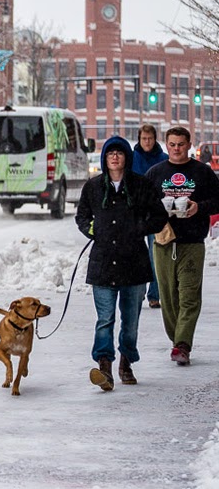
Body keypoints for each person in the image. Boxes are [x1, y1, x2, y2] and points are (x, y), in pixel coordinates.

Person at [76, 136, 168, 391]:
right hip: (103, 263)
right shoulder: (94, 187)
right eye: (110, 153)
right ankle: (104, 366)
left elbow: (158, 216)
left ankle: (126, 362)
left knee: (130, 320)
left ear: (127, 157)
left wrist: (139, 227)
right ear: (105, 159)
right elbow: (82, 216)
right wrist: (91, 229)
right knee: (104, 319)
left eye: (119, 153)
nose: (114, 157)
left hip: (133, 264)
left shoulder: (141, 185)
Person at [145, 127, 219, 366]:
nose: (176, 149)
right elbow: (143, 205)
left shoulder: (203, 172)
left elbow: (217, 200)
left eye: (181, 144)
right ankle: (177, 339)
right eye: (172, 144)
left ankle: (183, 344)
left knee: (189, 296)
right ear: (166, 145)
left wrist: (199, 207)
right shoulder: (155, 173)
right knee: (168, 297)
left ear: (189, 145)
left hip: (192, 243)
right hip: (164, 242)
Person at [133, 124, 169, 309]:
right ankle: (137, 293)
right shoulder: (132, 158)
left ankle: (154, 294)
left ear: (155, 139)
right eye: (143, 138)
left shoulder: (163, 159)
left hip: (156, 212)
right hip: (136, 213)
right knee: (137, 255)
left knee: (155, 254)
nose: (147, 142)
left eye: (150, 138)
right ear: (139, 139)